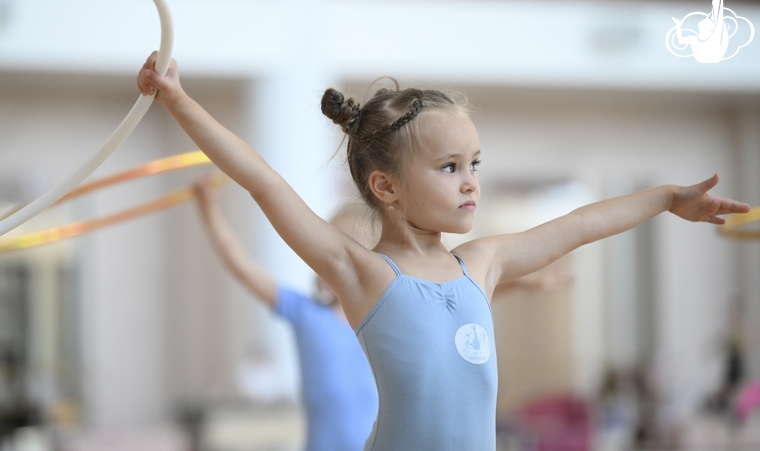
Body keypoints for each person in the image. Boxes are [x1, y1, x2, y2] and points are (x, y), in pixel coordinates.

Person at [138, 52, 749, 451]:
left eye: (474, 164)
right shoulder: (363, 274)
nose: (470, 181)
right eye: (450, 167)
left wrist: (668, 197)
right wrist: (177, 100)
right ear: (387, 187)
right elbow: (264, 181)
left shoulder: (481, 264)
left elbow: (583, 222)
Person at [192, 176, 379, 451]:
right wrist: (208, 208)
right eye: (322, 251)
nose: (325, 262)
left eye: (340, 257)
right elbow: (241, 264)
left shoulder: (383, 322)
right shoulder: (305, 312)